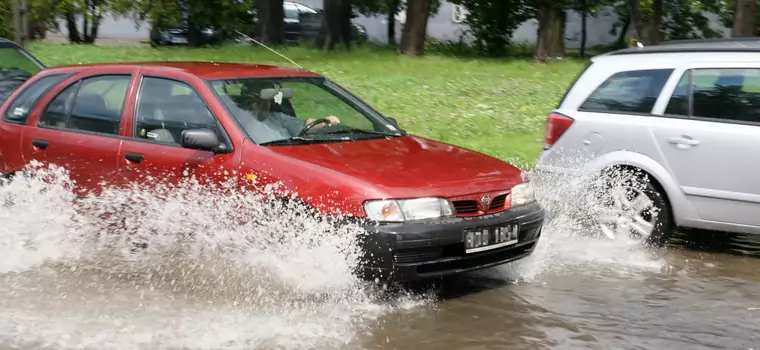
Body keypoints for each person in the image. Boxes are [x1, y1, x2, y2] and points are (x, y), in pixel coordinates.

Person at [238, 85, 341, 144]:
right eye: (259, 100)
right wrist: (255, 112)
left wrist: (325, 122)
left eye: (267, 100)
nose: (265, 104)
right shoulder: (241, 122)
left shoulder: (277, 118)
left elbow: (305, 124)